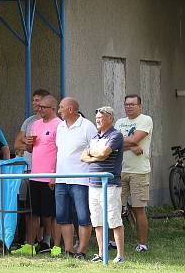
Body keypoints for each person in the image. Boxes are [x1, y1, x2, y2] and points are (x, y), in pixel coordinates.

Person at [81, 106, 125, 263]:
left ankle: (119, 255)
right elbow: (83, 156)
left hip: (110, 184)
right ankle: (101, 254)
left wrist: (95, 155)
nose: (97, 121)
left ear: (110, 119)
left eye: (100, 118)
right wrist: (95, 158)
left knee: (114, 219)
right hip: (93, 184)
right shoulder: (95, 136)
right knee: (97, 220)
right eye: (97, 118)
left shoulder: (116, 135)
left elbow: (103, 153)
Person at [54, 97, 97, 259]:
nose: (59, 111)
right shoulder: (60, 127)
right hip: (61, 179)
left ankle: (82, 251)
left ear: (71, 109)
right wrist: (54, 175)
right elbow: (59, 152)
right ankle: (69, 249)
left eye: (61, 108)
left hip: (81, 179)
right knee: (63, 216)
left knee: (83, 216)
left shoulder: (87, 126)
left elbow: (96, 151)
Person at [23, 94, 62, 254]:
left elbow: (60, 151)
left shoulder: (59, 125)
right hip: (34, 175)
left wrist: (54, 174)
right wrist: (28, 144)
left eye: (43, 107)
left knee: (50, 214)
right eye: (39, 107)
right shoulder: (36, 124)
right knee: (33, 213)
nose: (40, 109)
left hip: (49, 176)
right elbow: (30, 149)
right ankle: (30, 245)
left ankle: (55, 246)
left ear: (53, 108)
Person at [115, 94, 153, 253]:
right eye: (126, 104)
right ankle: (112, 241)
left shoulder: (145, 120)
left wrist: (125, 142)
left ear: (140, 106)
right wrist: (131, 145)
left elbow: (135, 138)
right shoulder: (119, 122)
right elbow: (113, 144)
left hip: (139, 171)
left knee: (139, 208)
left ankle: (142, 244)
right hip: (120, 170)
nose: (129, 107)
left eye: (132, 104)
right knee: (115, 208)